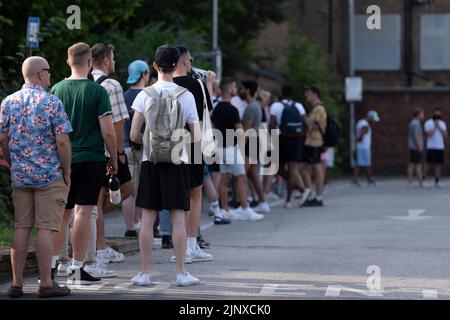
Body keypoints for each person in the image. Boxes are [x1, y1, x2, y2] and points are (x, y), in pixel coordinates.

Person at [1, 56, 72, 298]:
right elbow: (62, 141)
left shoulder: (8, 102)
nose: (50, 76)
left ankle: (16, 283)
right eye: (49, 71)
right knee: (46, 227)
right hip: (48, 175)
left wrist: (13, 163)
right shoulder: (51, 102)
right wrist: (67, 170)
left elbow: (2, 138)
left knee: (21, 226)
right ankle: (45, 284)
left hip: (20, 175)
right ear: (41, 73)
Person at [130, 45, 201, 286]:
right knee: (178, 218)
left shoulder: (144, 95)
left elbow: (133, 134)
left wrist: (147, 143)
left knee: (148, 218)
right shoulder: (186, 95)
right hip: (177, 161)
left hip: (151, 161)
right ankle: (181, 273)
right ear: (177, 65)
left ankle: (145, 273)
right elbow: (197, 135)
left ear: (155, 66)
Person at [51, 42, 118, 284]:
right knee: (84, 211)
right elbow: (108, 132)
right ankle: (78, 267)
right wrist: (113, 156)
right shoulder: (97, 92)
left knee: (62, 214)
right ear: (90, 63)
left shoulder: (56, 90)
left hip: (60, 159)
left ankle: (59, 263)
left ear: (68, 62)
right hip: (91, 158)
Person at [172, 45, 224, 262]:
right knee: (195, 194)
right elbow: (208, 111)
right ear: (185, 62)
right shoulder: (197, 84)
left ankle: (179, 248)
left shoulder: (163, 85)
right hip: (193, 143)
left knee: (176, 198)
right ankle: (191, 244)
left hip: (169, 144)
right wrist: (210, 83)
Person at [212, 78, 264, 221]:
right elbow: (240, 131)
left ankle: (225, 209)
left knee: (223, 178)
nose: (236, 89)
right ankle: (246, 208)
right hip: (231, 148)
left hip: (219, 147)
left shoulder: (216, 109)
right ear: (229, 90)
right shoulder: (233, 109)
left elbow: (214, 129)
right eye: (234, 87)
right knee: (241, 177)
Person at [123, 60, 151, 237]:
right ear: (143, 74)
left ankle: (129, 227)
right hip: (143, 147)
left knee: (128, 190)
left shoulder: (124, 96)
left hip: (124, 146)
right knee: (142, 188)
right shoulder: (148, 95)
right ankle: (139, 222)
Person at [270, 85, 310, 208]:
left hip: (282, 139)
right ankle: (290, 199)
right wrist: (302, 135)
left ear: (282, 93)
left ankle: (300, 191)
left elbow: (271, 125)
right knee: (293, 169)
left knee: (278, 168)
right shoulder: (299, 106)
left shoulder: (276, 106)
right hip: (297, 139)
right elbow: (307, 123)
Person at [240, 80, 270, 213]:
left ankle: (243, 205)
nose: (240, 91)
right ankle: (263, 202)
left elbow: (246, 130)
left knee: (241, 174)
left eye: (242, 88)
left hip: (250, 142)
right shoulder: (256, 105)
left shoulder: (250, 107)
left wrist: (240, 149)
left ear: (247, 90)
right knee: (253, 174)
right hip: (256, 140)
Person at [301, 86, 327, 206]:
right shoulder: (317, 108)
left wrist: (303, 118)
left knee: (316, 168)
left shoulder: (318, 109)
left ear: (315, 94)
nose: (307, 95)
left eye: (309, 93)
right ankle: (311, 192)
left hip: (315, 142)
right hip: (313, 142)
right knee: (306, 168)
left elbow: (313, 126)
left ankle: (317, 196)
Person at [352, 110, 380, 188]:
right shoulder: (365, 125)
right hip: (363, 147)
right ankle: (369, 180)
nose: (373, 122)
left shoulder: (361, 122)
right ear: (369, 117)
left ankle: (364, 180)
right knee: (365, 164)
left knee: (360, 164)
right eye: (373, 120)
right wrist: (356, 143)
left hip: (361, 147)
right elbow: (360, 135)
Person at [424, 109, 447, 187]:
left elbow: (445, 135)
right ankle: (424, 179)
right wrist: (435, 127)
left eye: (439, 115)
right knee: (428, 163)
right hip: (431, 146)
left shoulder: (443, 123)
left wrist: (439, 127)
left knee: (439, 164)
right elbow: (428, 135)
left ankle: (437, 181)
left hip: (440, 147)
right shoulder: (428, 123)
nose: (438, 116)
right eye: (436, 114)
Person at [408, 108, 425, 187]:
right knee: (418, 164)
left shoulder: (414, 123)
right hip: (415, 147)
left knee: (412, 164)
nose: (423, 116)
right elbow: (416, 136)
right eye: (422, 114)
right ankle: (421, 182)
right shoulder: (415, 124)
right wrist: (419, 146)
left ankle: (410, 182)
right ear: (418, 115)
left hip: (413, 147)